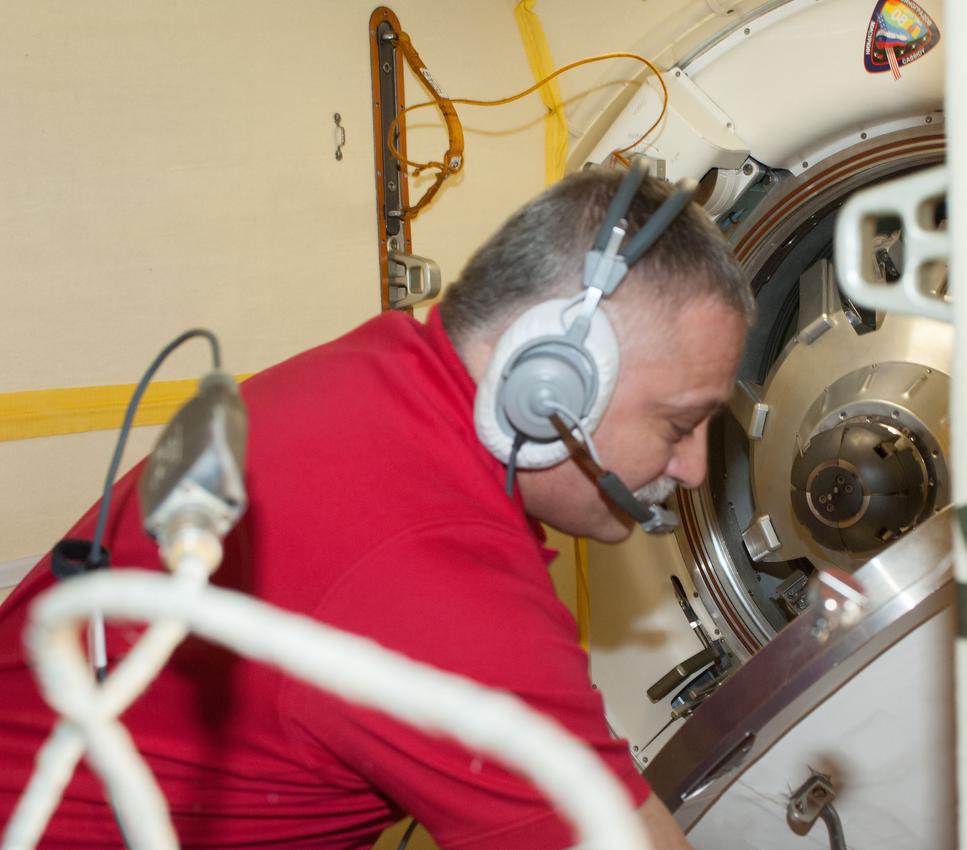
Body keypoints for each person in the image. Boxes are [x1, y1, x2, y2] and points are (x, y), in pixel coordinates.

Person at [0, 167, 754, 849]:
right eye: (680, 424)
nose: (692, 471)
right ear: (552, 384)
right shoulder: (433, 570)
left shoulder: (382, 376)